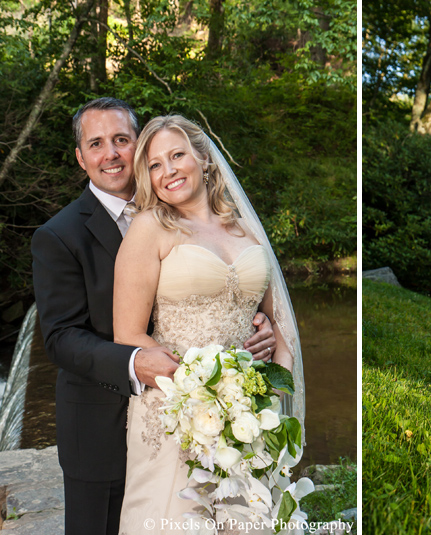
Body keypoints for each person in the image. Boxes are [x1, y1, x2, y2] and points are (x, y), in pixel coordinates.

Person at [31, 98, 276, 535]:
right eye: (97, 143)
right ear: (81, 157)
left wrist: (258, 321)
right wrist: (132, 361)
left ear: (138, 145)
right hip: (102, 424)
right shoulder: (59, 235)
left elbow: (221, 284)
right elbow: (61, 337)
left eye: (121, 140)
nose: (111, 154)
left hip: (209, 416)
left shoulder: (186, 212)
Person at [112, 115, 305, 534]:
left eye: (177, 155)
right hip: (175, 413)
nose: (168, 171)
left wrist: (274, 385)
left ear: (204, 158)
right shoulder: (149, 229)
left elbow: (279, 323)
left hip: (248, 412)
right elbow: (128, 335)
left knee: (246, 518)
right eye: (155, 165)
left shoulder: (247, 231)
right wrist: (201, 394)